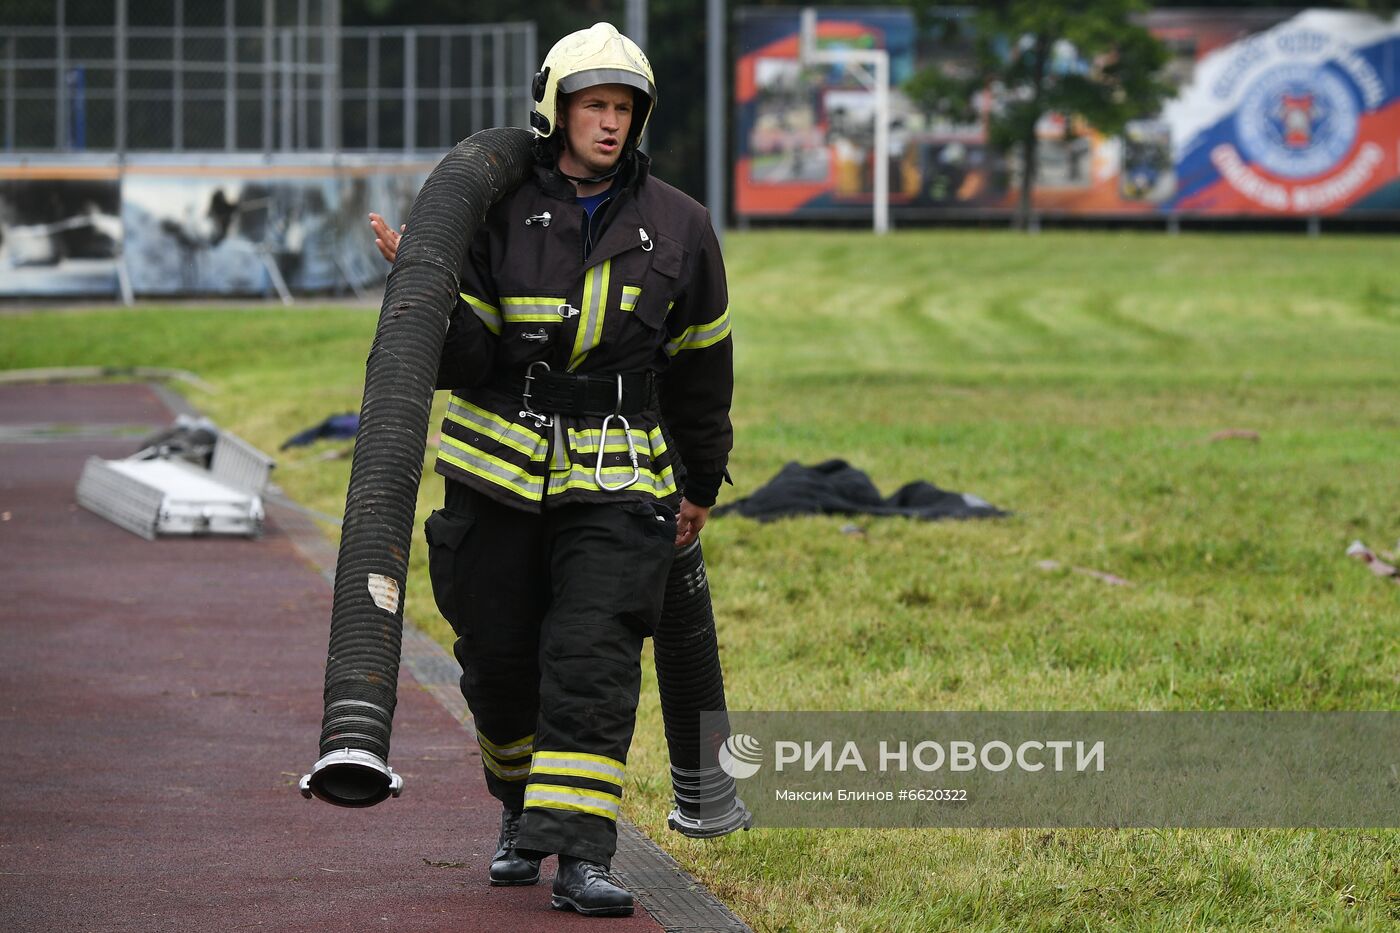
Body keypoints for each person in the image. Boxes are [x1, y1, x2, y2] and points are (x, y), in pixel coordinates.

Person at [371, 23, 732, 918]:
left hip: (618, 478)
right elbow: (465, 360)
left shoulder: (682, 223)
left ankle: (579, 856)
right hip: (495, 471)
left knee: (593, 655)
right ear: (557, 110)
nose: (610, 124)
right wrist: (423, 276)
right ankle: (520, 809)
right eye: (594, 106)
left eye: (624, 109)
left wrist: (699, 482)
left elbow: (702, 365)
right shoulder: (493, 209)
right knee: (498, 663)